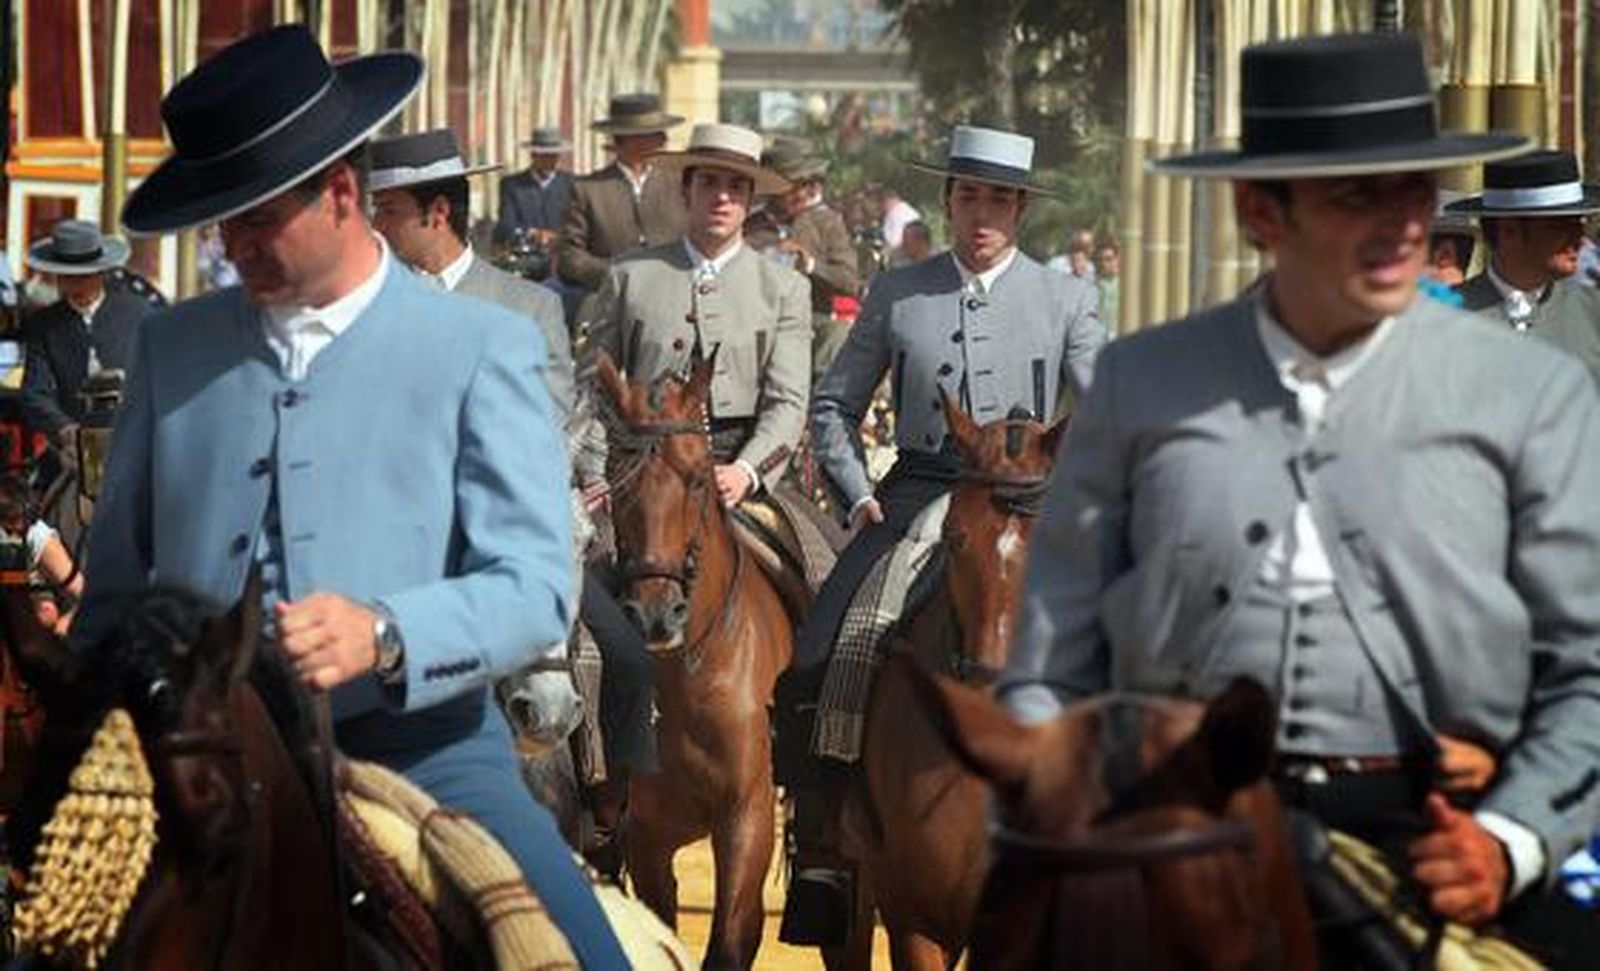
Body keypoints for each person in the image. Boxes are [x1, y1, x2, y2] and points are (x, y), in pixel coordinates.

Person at [1002, 32, 1600, 967]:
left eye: (1413, 189)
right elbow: (1050, 664)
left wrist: (1510, 838)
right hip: (1171, 837)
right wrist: (1075, 812)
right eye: (1356, 192)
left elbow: (1588, 671)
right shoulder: (1139, 386)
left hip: (1435, 843)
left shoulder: (1533, 397)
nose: (1404, 223)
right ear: (1259, 211)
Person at [72, 26, 627, 966]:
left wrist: (389, 630)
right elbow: (115, 587)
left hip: (425, 752)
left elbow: (536, 586)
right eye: (223, 221)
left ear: (338, 193)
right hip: (186, 755)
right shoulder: (171, 348)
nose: (234, 244)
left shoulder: (478, 348)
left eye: (257, 217)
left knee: (581, 954)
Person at [780, 124, 1104, 945]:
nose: (981, 211)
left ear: (1021, 207)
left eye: (998, 197)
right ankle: (821, 845)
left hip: (1032, 500)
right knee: (825, 645)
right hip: (921, 488)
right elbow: (832, 407)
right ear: (948, 201)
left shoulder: (1067, 297)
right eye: (968, 195)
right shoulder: (899, 290)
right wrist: (856, 494)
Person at [580, 120, 810, 854]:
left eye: (736, 187)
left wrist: (749, 468)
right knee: (567, 614)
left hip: (742, 473)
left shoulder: (783, 285)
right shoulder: (629, 276)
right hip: (639, 482)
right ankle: (594, 791)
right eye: (709, 182)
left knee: (828, 586)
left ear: (750, 201)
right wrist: (594, 474)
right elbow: (588, 388)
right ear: (686, 189)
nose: (721, 197)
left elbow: (789, 403)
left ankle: (818, 787)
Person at [368, 128, 574, 415]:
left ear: (439, 212)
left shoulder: (531, 308)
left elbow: (551, 414)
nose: (376, 225)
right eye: (376, 210)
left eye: (388, 210)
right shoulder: (366, 306)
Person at [1445, 150, 1600, 385]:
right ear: (1509, 231)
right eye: (1560, 226)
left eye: (1580, 223)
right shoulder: (1445, 318)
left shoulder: (1592, 309)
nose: (1579, 238)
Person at [19, 220, 152, 436]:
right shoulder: (44, 324)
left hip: (133, 435)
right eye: (67, 277)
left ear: (102, 272)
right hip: (72, 443)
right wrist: (64, 429)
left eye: (84, 277)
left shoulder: (139, 314)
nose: (75, 286)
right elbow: (35, 393)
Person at [555, 93, 688, 298]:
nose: (664, 139)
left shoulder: (681, 184)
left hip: (676, 296)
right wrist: (616, 273)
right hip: (610, 300)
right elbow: (569, 255)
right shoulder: (588, 189)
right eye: (655, 133)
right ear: (628, 140)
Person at [760, 136, 861, 382]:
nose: (804, 193)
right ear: (773, 189)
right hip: (760, 327)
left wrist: (811, 265)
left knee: (838, 332)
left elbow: (849, 283)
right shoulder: (752, 226)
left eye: (808, 184)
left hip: (812, 325)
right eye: (795, 185)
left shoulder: (826, 223)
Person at [496, 126, 575, 248]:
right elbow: (507, 225)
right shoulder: (512, 185)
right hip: (525, 255)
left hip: (562, 254)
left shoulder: (572, 184)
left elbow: (578, 223)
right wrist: (534, 234)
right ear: (533, 155)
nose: (549, 160)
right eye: (543, 155)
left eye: (553, 155)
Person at [1093, 239, 1121, 338]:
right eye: (1100, 259)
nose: (1104, 264)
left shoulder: (1126, 284)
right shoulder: (1091, 284)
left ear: (1118, 259)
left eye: (1109, 259)